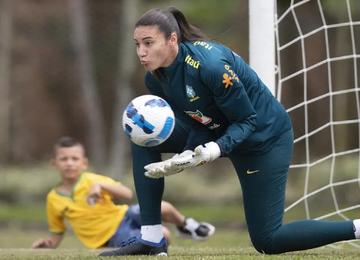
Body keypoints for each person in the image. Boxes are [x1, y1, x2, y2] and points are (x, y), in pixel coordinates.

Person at [99, 6, 360, 257]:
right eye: (137, 45)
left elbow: (247, 120)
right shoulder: (154, 78)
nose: (141, 52)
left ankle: (357, 228)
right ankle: (152, 238)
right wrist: (189, 153)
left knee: (267, 240)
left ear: (172, 40)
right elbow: (193, 121)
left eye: (148, 43)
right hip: (219, 132)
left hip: (263, 140)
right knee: (143, 136)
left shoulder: (211, 66)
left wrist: (210, 151)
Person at [32, 136, 215, 250]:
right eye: (64, 159)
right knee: (163, 233)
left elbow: (127, 194)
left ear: (84, 163)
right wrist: (48, 245)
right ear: (54, 163)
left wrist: (101, 187)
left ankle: (188, 227)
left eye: (74, 158)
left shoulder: (92, 179)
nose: (69, 163)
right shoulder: (53, 199)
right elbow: (57, 232)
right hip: (112, 236)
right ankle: (156, 245)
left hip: (125, 215)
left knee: (163, 207)